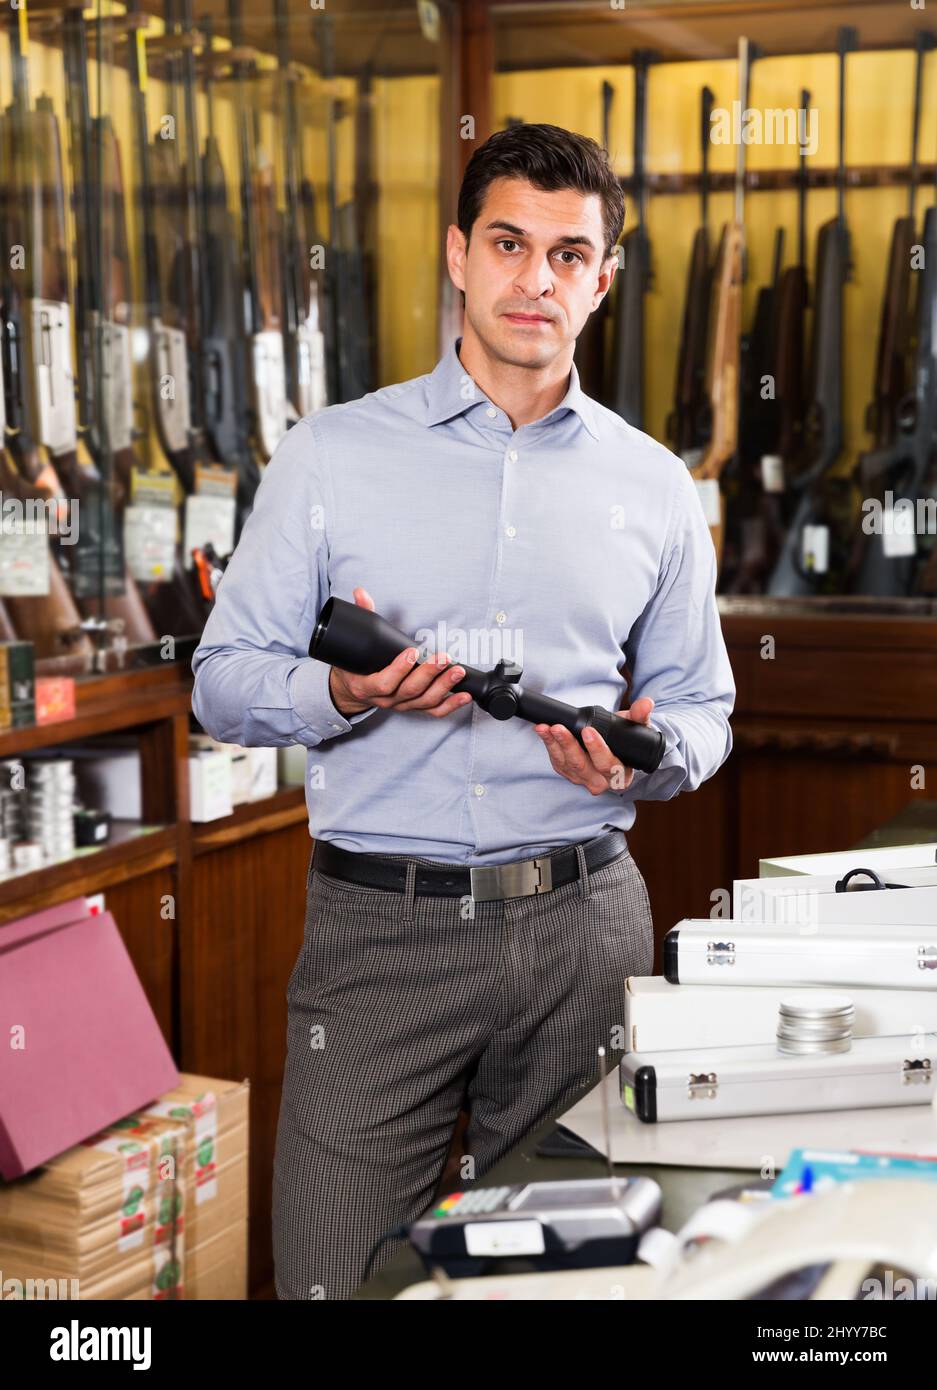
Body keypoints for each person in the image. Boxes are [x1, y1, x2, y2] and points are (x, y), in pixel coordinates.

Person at [191, 122, 736, 1300]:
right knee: (335, 1276)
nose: (533, 279)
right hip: (375, 940)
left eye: (566, 254)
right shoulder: (329, 456)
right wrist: (340, 690)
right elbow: (221, 678)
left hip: (582, 931)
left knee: (563, 1286)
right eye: (507, 243)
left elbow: (703, 708)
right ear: (457, 254)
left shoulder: (652, 483)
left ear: (603, 278)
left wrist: (643, 760)